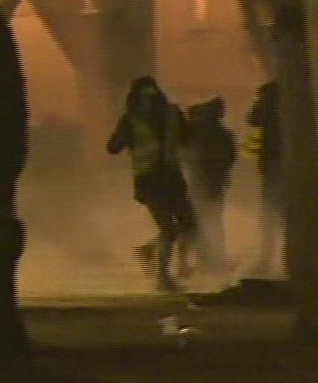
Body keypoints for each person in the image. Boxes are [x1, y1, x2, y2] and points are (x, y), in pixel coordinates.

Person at [107, 76, 197, 292]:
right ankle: (163, 276)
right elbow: (113, 146)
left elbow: (187, 138)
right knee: (169, 228)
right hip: (151, 179)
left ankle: (151, 253)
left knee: (188, 225)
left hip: (169, 177)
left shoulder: (168, 115)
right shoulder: (133, 120)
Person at [182, 97, 238, 277]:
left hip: (197, 181)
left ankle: (198, 261)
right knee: (213, 221)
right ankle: (214, 260)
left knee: (195, 221)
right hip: (213, 182)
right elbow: (230, 158)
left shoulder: (193, 130)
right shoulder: (223, 134)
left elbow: (183, 154)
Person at [246, 80, 283, 277]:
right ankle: (275, 260)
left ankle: (267, 260)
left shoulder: (270, 106)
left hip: (275, 165)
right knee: (276, 215)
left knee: (271, 215)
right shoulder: (286, 105)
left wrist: (262, 102)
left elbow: (252, 118)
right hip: (279, 165)